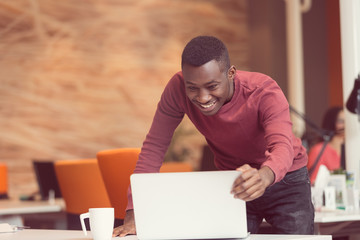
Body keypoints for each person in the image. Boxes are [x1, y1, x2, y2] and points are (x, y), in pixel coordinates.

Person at [113, 36, 314, 236]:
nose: (203, 98)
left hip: (286, 179)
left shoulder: (263, 90)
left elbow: (282, 146)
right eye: (192, 88)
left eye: (212, 86)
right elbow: (153, 150)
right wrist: (133, 212)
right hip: (233, 182)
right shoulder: (176, 89)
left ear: (231, 73)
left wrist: (264, 176)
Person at [307, 106, 345, 184]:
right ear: (332, 122)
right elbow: (313, 181)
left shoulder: (352, 150)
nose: (345, 125)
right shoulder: (319, 150)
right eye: (341, 121)